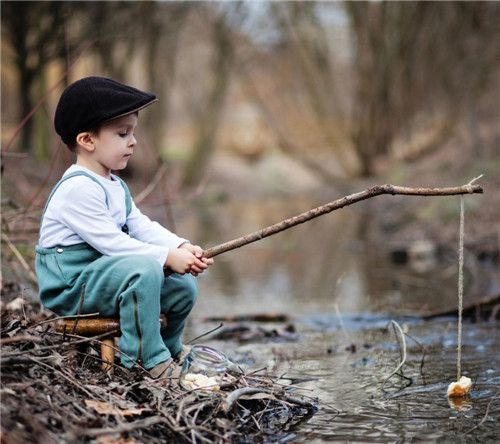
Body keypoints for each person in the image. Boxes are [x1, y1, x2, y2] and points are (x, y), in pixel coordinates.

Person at [35, 76, 213, 382]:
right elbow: (114, 244)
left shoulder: (114, 184)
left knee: (182, 286)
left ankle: (168, 350)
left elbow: (140, 225)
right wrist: (165, 257)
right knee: (145, 270)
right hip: (72, 285)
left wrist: (180, 247)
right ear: (87, 141)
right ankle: (146, 359)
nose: (133, 141)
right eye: (122, 133)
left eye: (133, 132)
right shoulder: (77, 188)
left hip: (102, 276)